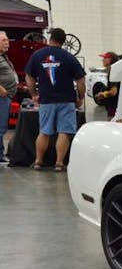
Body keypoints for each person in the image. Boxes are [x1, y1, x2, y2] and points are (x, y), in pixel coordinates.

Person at [24, 28, 86, 171]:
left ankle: (38, 161)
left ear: (50, 38)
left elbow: (29, 77)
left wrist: (34, 94)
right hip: (66, 100)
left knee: (44, 131)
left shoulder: (37, 55)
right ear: (64, 41)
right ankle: (59, 163)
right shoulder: (69, 57)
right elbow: (81, 81)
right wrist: (80, 98)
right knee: (64, 132)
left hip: (46, 100)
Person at [0, 31, 18, 163]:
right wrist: (1, 89)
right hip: (2, 97)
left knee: (2, 127)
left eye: (7, 40)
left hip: (6, 97)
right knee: (1, 128)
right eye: (4, 40)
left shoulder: (3, 57)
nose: (7, 43)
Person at [94, 51, 119, 120]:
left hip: (114, 107)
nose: (103, 60)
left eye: (105, 58)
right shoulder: (113, 71)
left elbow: (114, 92)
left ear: (111, 59)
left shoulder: (113, 72)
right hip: (113, 107)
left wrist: (103, 94)